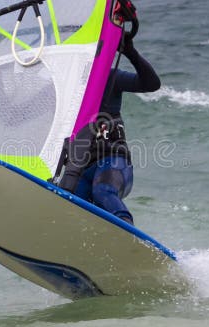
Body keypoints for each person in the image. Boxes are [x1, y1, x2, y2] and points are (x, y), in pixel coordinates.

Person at [57, 31, 161, 225]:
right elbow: (20, 113)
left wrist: (131, 53)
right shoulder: (63, 87)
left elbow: (151, 84)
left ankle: (128, 231)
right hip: (81, 169)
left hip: (113, 164)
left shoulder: (107, 78)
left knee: (102, 191)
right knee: (68, 205)